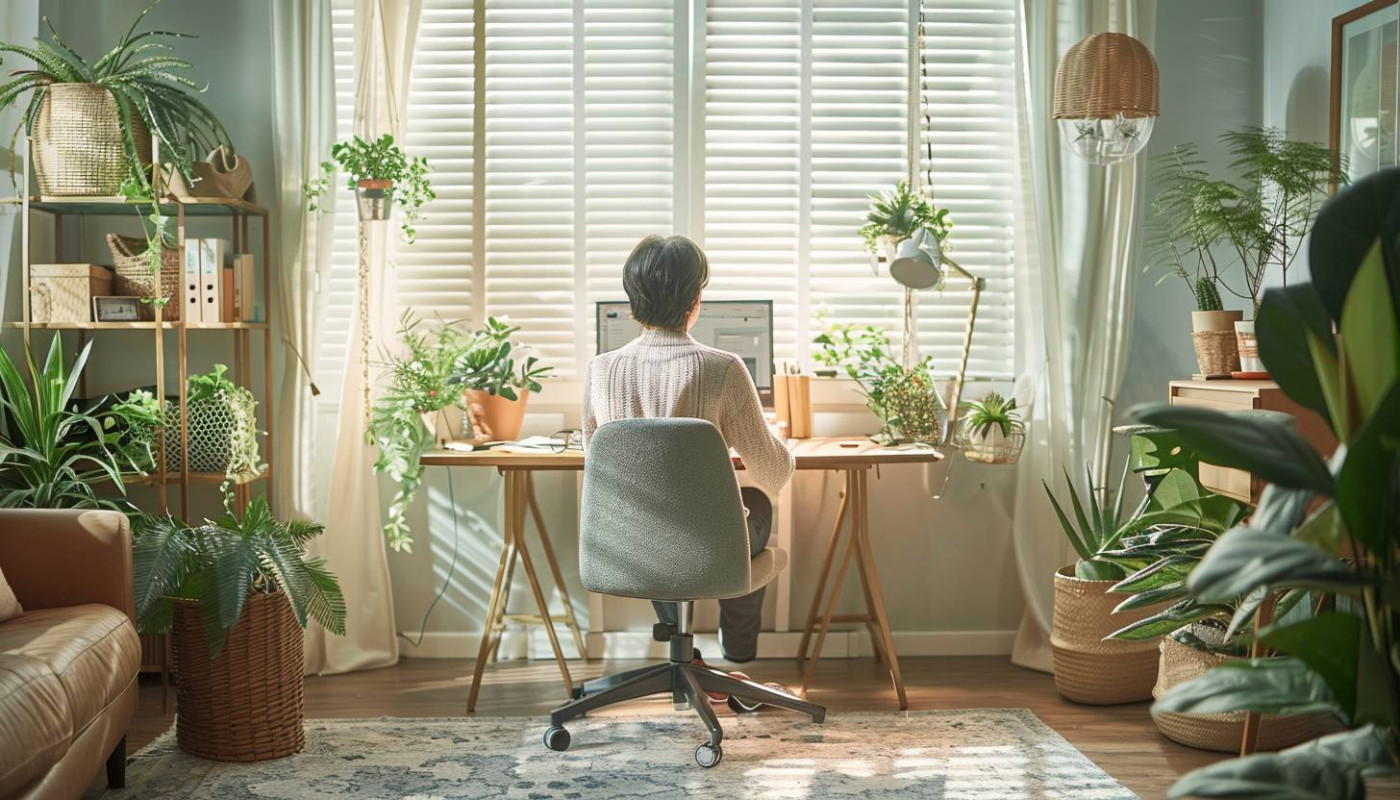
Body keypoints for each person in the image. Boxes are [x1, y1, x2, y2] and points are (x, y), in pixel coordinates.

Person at [581, 234, 794, 664]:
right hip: (707, 552)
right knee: (755, 503)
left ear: (632, 301)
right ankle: (736, 656)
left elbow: (599, 468)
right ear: (696, 300)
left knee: (658, 521)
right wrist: (774, 436)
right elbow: (775, 475)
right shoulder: (724, 370)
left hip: (626, 548)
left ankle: (684, 654)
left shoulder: (600, 371)